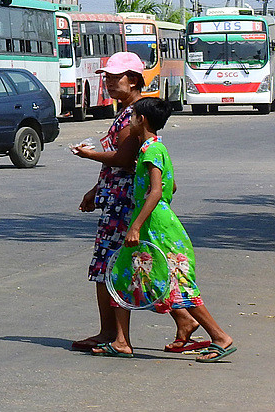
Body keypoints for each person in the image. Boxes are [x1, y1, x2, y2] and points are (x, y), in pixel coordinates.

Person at [68, 52, 200, 354]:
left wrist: (89, 155)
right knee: (137, 266)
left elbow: (125, 160)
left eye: (117, 77)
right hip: (118, 198)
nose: (110, 82)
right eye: (108, 77)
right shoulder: (129, 112)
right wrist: (95, 189)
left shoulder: (134, 116)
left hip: (125, 204)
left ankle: (113, 335)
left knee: (109, 266)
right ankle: (181, 319)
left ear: (134, 80)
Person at [105, 97, 237, 361]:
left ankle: (220, 337)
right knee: (123, 275)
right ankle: (121, 341)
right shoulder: (155, 148)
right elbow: (170, 186)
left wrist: (137, 225)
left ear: (141, 120)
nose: (129, 122)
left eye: (132, 118)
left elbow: (156, 192)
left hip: (156, 226)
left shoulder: (150, 151)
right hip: (154, 221)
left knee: (178, 284)